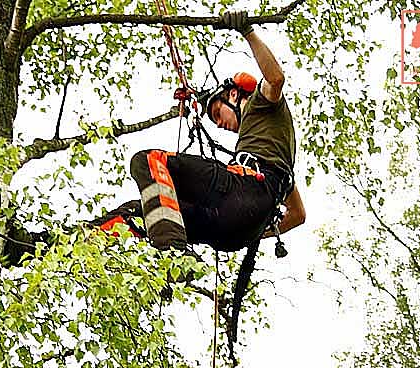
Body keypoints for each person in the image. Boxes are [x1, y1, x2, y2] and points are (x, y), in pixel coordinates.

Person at [95, 10, 306, 256]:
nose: (218, 124)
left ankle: (171, 252)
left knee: (149, 161)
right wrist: (256, 228)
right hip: (234, 230)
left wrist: (247, 32)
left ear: (234, 95)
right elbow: (298, 215)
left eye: (217, 113)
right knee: (141, 214)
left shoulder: (260, 103)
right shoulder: (273, 155)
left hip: (242, 191)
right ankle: (72, 240)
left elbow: (276, 78)